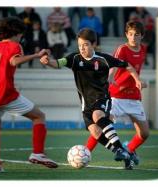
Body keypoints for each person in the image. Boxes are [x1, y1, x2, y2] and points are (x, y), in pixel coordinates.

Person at [40, 28, 143, 168]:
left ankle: (119, 148)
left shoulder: (104, 59)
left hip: (102, 98)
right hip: (85, 104)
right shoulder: (74, 58)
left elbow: (126, 65)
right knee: (95, 132)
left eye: (86, 44)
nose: (82, 48)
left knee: (97, 115)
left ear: (93, 44)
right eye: (80, 45)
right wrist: (48, 62)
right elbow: (58, 63)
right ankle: (125, 154)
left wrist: (137, 79)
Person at [0, 17, 58, 173]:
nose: (21, 37)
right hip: (4, 93)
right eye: (21, 34)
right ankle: (38, 153)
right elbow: (14, 61)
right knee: (39, 116)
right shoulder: (14, 45)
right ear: (16, 33)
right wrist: (37, 55)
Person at [85, 21, 150, 170]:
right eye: (131, 34)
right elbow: (114, 64)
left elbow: (135, 70)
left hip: (134, 97)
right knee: (103, 125)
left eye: (137, 35)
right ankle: (86, 152)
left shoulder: (143, 50)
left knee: (145, 133)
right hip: (117, 96)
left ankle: (129, 149)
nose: (133, 37)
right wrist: (110, 77)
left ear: (142, 36)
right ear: (126, 34)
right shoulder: (122, 49)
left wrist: (139, 82)